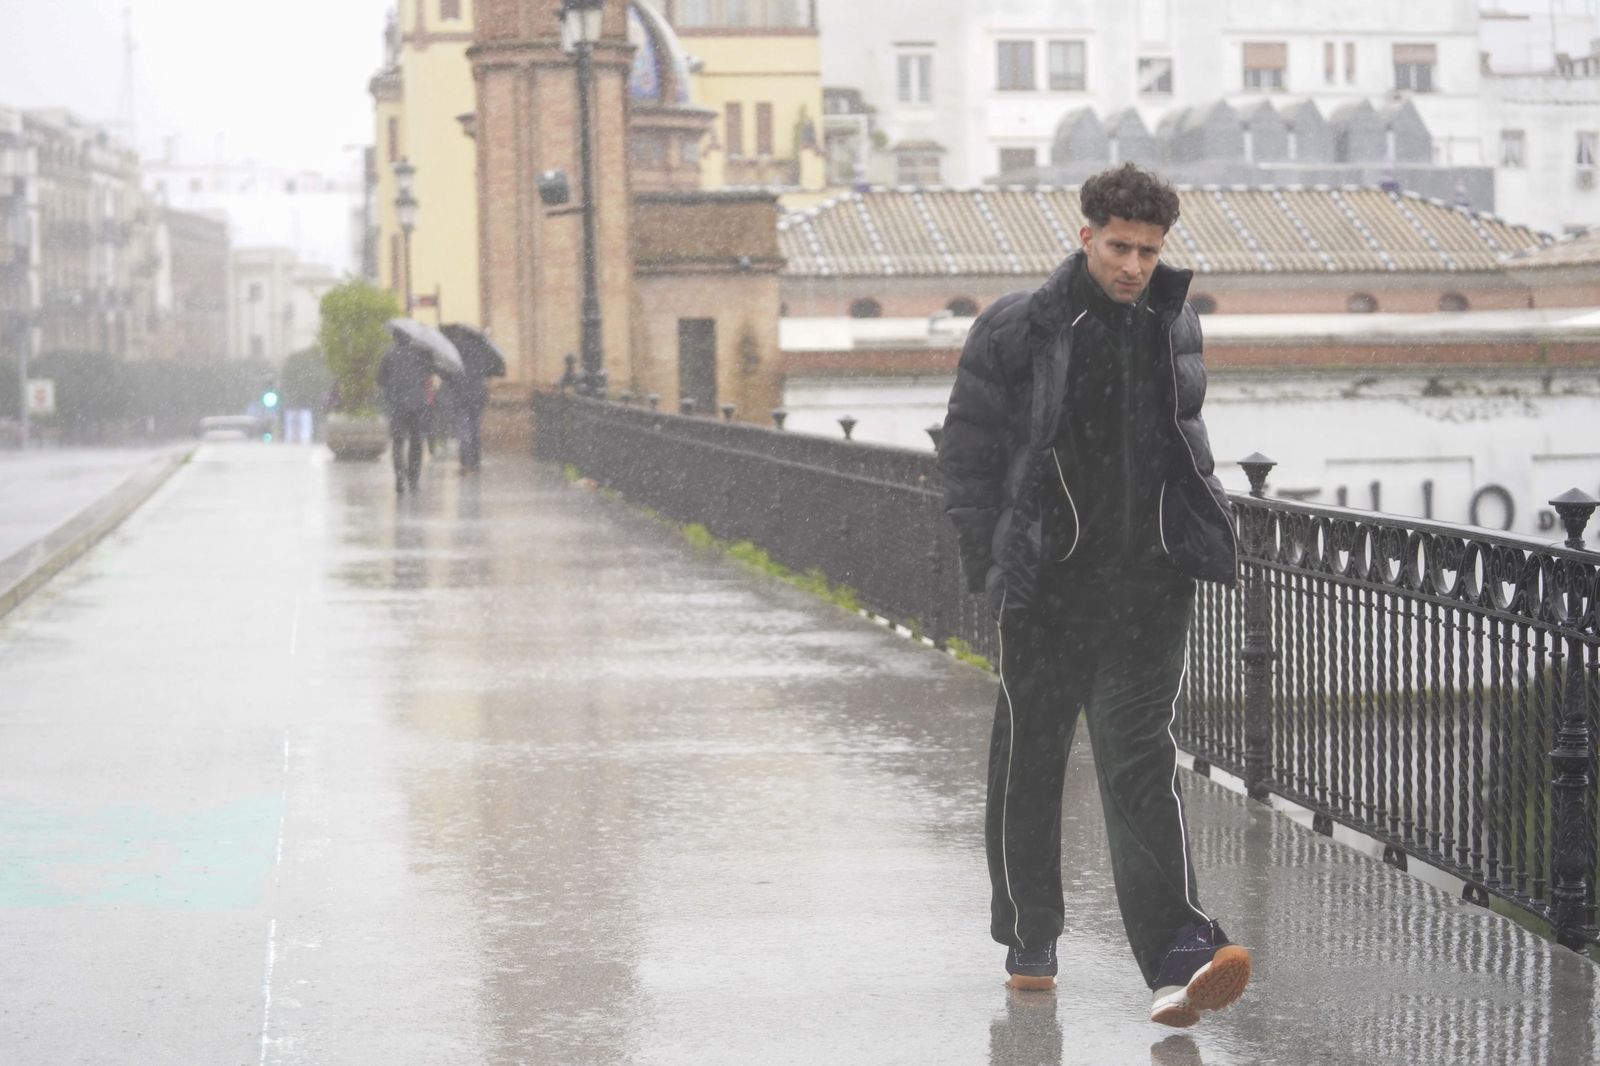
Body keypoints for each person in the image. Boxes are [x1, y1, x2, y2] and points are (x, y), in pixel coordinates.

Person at [936, 163, 1250, 1027]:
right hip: (1050, 589)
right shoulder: (1022, 327)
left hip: (1150, 588)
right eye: (1120, 247)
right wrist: (994, 566)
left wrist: (1202, 529)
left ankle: (1179, 957)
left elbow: (1186, 442)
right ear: (1085, 237)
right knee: (1033, 760)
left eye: (1150, 251)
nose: (1135, 266)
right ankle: (1031, 935)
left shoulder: (1173, 323)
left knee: (1140, 763)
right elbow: (968, 457)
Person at [377, 334, 432, 494]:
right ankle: (414, 480)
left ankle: (399, 476)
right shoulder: (420, 355)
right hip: (417, 405)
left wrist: (391, 387)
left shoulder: (389, 355)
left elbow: (380, 380)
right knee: (416, 442)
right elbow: (429, 373)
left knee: (397, 442)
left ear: (395, 338)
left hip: (397, 405)